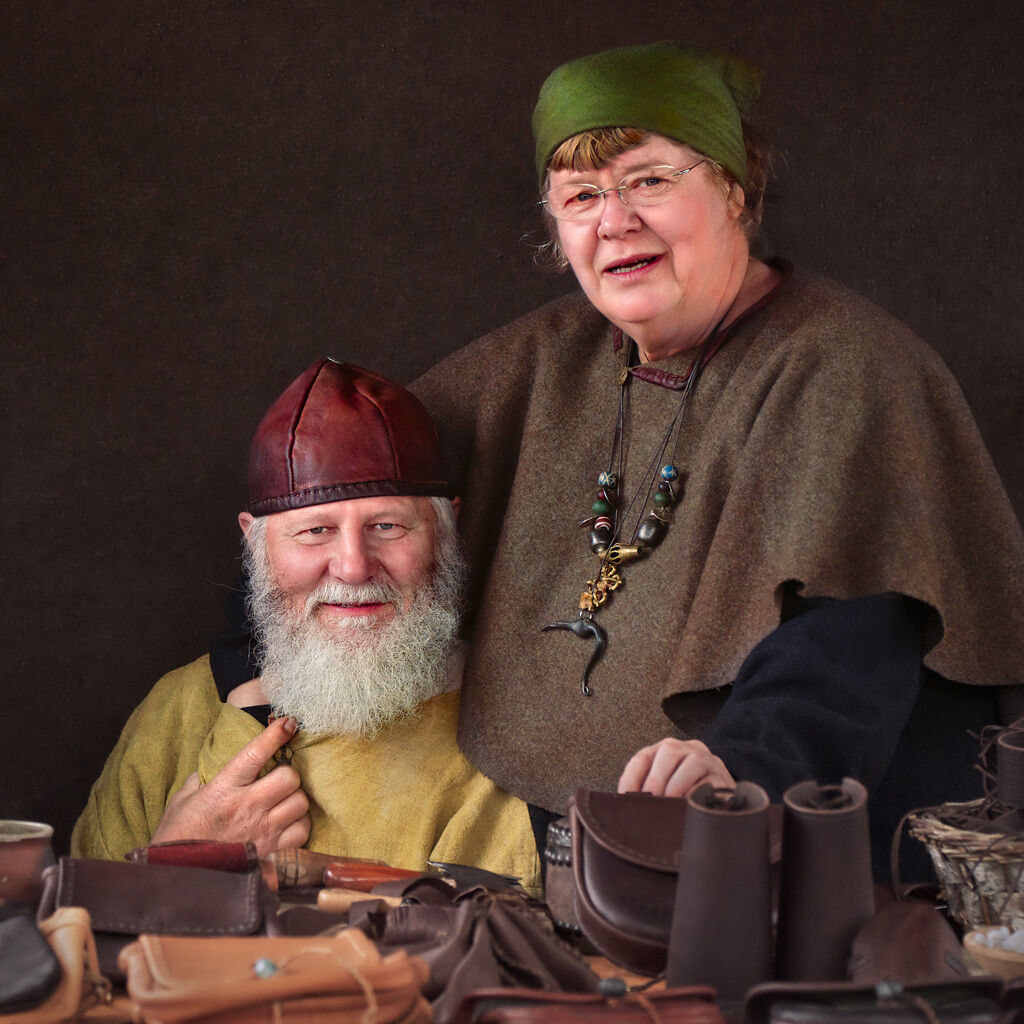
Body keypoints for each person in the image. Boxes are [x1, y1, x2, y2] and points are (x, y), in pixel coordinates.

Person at [211, 44, 1024, 877]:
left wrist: (743, 771)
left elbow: (850, 643)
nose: (615, 221)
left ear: (736, 189)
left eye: (651, 181)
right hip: (569, 853)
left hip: (793, 852)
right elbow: (335, 486)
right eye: (582, 196)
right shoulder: (538, 359)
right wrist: (253, 651)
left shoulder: (849, 368)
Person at [72, 358, 540, 892]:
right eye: (315, 530)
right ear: (255, 542)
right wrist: (168, 872)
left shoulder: (517, 736)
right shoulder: (175, 711)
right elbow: (74, 929)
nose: (353, 566)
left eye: (387, 526)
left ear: (446, 527)